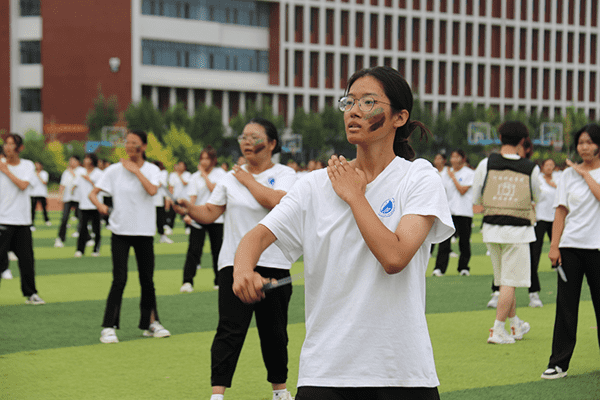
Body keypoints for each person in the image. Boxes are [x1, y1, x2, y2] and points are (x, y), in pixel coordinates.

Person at [232, 66, 453, 399]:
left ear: (398, 117)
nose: (353, 110)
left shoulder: (418, 178)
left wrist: (354, 195)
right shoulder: (314, 185)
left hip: (401, 373)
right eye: (349, 102)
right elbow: (257, 237)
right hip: (325, 371)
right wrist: (242, 269)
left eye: (368, 102)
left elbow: (394, 257)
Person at [173, 117, 297, 400]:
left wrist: (246, 179)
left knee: (274, 332)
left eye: (254, 137)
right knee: (230, 329)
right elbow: (210, 213)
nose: (247, 142)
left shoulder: (286, 174)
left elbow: (276, 201)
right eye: (243, 137)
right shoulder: (229, 179)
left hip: (274, 263)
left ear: (272, 143)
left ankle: (280, 391)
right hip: (234, 264)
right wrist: (189, 208)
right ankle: (218, 393)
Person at [89, 130, 170, 344]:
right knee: (120, 279)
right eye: (127, 142)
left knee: (147, 280)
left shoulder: (154, 170)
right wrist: (101, 207)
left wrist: (135, 171)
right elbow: (93, 193)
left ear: (143, 147)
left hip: (144, 231)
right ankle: (108, 327)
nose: (128, 145)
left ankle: (151, 323)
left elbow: (152, 191)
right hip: (120, 232)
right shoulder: (114, 171)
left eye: (134, 142)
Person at [472, 121, 541, 344]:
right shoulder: (531, 168)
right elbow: (537, 197)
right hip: (518, 232)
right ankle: (498, 329)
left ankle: (515, 324)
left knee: (504, 281)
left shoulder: (486, 163)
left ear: (499, 137)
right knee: (509, 282)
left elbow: (476, 196)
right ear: (523, 141)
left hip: (491, 228)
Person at [541, 124, 600, 379]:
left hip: (598, 248)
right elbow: (560, 211)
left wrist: (583, 172)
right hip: (570, 247)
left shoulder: (582, 173)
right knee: (565, 306)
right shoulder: (566, 176)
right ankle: (558, 363)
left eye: (589, 142)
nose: (584, 147)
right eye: (580, 143)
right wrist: (554, 246)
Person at [0, 134, 45, 304]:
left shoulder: (27, 165)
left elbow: (23, 185)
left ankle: (31, 294)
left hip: (22, 221)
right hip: (3, 219)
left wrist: (5, 171)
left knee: (27, 260)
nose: (8, 147)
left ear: (20, 148)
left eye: (12, 144)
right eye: (6, 143)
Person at [180, 146, 226, 293]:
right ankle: (187, 281)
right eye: (202, 158)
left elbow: (215, 191)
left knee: (217, 251)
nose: (204, 161)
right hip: (198, 217)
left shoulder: (221, 174)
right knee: (194, 250)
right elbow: (192, 198)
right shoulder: (194, 177)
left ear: (213, 160)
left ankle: (219, 281)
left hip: (216, 218)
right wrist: (189, 213)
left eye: (207, 158)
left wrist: (205, 175)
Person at [432, 149, 474, 277]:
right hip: (449, 211)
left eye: (456, 157)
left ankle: (463, 267)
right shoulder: (446, 174)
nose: (453, 160)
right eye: (452, 157)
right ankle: (439, 268)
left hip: (464, 211)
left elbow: (462, 190)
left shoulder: (469, 173)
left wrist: (453, 177)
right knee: (444, 241)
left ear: (463, 158)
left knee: (464, 242)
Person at [527, 158, 558, 308]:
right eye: (547, 165)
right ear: (543, 166)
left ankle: (560, 270)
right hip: (539, 219)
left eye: (552, 165)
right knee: (535, 252)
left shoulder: (559, 178)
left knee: (560, 248)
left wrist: (555, 186)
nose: (550, 168)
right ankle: (533, 290)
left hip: (555, 219)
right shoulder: (537, 179)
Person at [73, 154, 102, 257]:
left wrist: (89, 180)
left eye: (88, 159)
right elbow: (75, 184)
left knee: (96, 229)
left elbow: (100, 187)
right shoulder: (81, 172)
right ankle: (80, 250)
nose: (86, 161)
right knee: (82, 229)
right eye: (85, 159)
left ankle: (96, 249)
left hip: (95, 205)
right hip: (84, 204)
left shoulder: (99, 173)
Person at [55, 155, 85, 247]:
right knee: (64, 218)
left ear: (77, 162)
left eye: (73, 161)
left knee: (82, 219)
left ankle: (86, 238)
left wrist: (72, 172)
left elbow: (80, 181)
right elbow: (62, 185)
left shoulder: (82, 171)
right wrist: (60, 196)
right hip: (68, 198)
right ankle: (60, 238)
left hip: (79, 198)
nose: (71, 162)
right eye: (70, 160)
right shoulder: (66, 172)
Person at [167, 160, 191, 232]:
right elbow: (171, 187)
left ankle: (188, 227)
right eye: (179, 165)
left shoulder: (187, 174)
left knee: (186, 212)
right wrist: (170, 198)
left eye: (182, 165)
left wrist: (179, 175)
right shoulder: (172, 175)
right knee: (172, 213)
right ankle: (170, 228)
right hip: (175, 197)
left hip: (185, 198)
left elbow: (185, 183)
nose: (180, 167)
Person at [153, 161, 172, 244]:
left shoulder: (163, 173)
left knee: (160, 218)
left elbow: (161, 183)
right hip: (148, 200)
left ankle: (163, 236)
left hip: (158, 200)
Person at [30, 161, 51, 229]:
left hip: (42, 193)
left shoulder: (44, 173)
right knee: (33, 210)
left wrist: (38, 176)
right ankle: (31, 224)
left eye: (38, 165)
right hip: (34, 194)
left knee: (44, 208)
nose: (36, 166)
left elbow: (44, 182)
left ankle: (46, 220)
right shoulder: (32, 174)